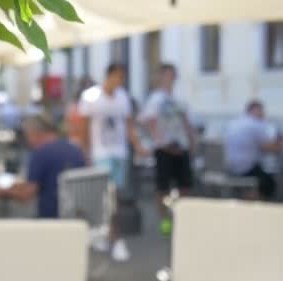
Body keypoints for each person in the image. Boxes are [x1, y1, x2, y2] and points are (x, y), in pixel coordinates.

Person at [78, 63, 145, 262]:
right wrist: (85, 151)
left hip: (119, 152)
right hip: (100, 152)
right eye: (117, 76)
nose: (119, 81)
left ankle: (107, 233)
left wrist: (138, 145)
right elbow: (84, 126)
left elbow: (129, 125)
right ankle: (112, 236)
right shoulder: (92, 97)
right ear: (109, 76)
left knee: (114, 195)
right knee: (107, 195)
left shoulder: (122, 97)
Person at [140, 63, 195, 235]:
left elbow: (186, 122)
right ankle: (165, 220)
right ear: (161, 76)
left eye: (172, 74)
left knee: (184, 186)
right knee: (162, 188)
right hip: (164, 149)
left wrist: (191, 142)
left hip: (181, 146)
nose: (170, 78)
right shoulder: (156, 99)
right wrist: (161, 142)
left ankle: (182, 219)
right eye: (167, 74)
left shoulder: (180, 99)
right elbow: (149, 121)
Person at [0, 115, 85, 218]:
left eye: (28, 136)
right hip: (80, 218)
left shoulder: (40, 153)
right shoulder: (75, 148)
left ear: (35, 134)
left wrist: (3, 192)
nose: (28, 141)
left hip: (52, 220)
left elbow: (27, 195)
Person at [224, 100, 283, 200]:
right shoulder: (256, 124)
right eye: (261, 111)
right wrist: (280, 143)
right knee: (269, 183)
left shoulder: (234, 123)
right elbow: (271, 148)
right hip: (245, 170)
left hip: (229, 169)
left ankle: (247, 196)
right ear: (255, 111)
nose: (263, 114)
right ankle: (255, 201)